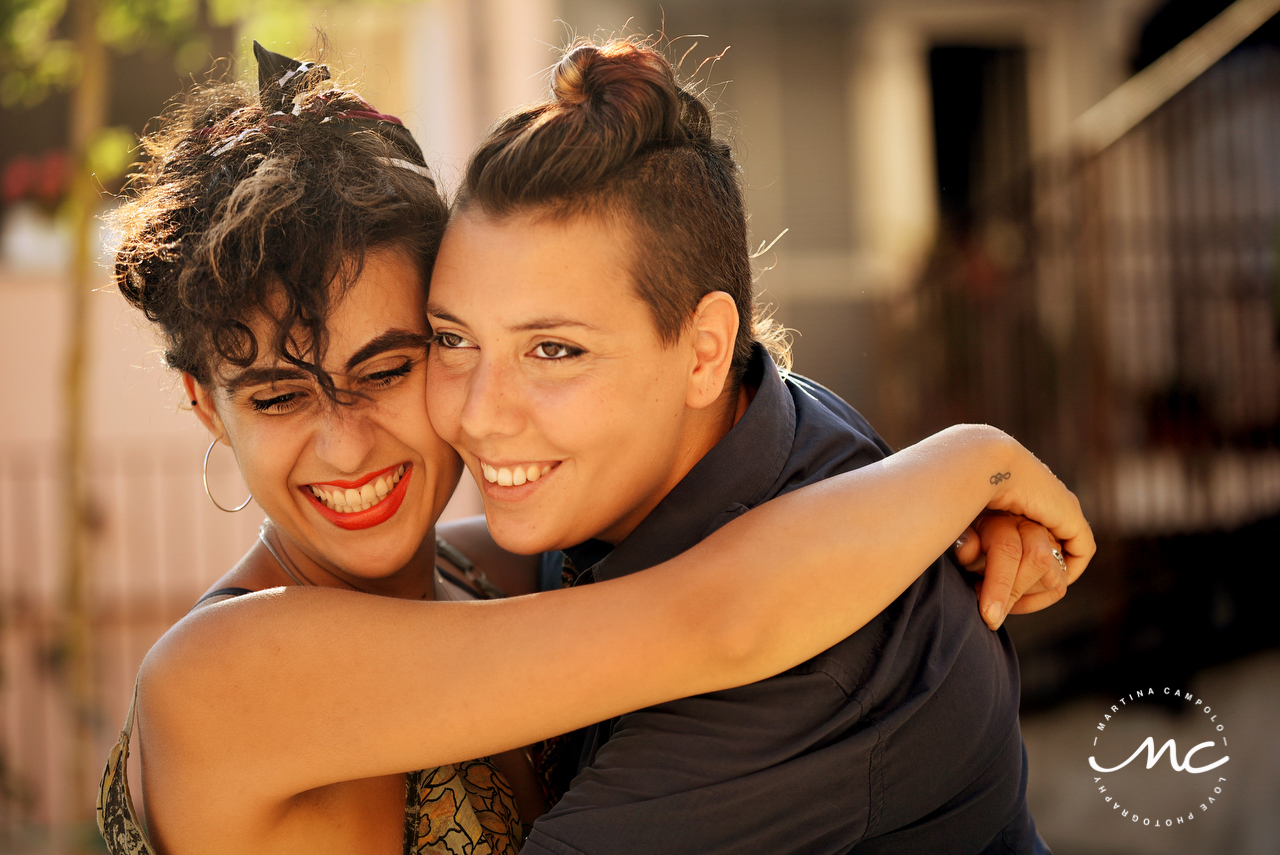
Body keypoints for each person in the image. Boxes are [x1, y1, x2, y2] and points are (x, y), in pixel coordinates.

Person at [96, 43, 1092, 855]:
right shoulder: (225, 669)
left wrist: (934, 511)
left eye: (394, 366)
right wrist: (969, 463)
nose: (347, 444)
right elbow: (714, 618)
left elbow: (726, 522)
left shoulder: (486, 574)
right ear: (202, 405)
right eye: (276, 395)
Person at [425, 37, 1072, 854]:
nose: (480, 415)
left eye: (554, 350)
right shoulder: (725, 432)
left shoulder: (830, 655)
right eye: (451, 338)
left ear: (702, 352)